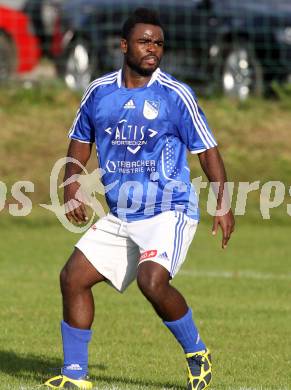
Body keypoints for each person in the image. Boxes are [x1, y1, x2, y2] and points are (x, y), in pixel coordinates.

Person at [44, 7, 235, 390]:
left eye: (159, 43)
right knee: (73, 278)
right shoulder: (99, 92)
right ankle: (75, 377)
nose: (153, 49)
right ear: (124, 45)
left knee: (152, 280)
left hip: (169, 210)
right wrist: (71, 184)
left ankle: (197, 353)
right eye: (145, 41)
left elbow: (208, 150)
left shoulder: (175, 95)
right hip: (123, 215)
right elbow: (81, 141)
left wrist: (223, 201)